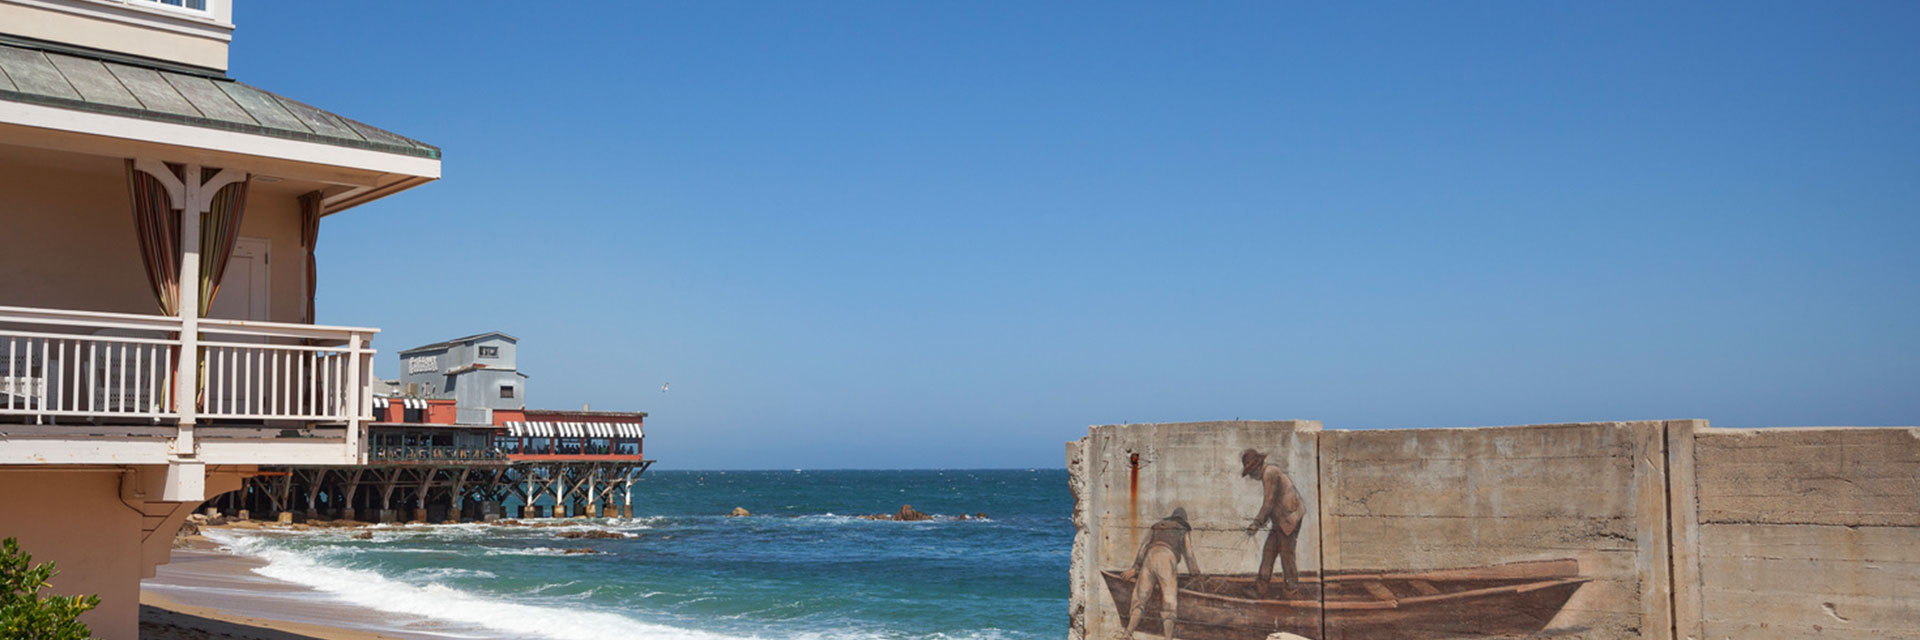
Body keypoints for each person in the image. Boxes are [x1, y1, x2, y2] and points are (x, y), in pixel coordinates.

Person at [1119, 508, 1201, 639]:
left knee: (1139, 599)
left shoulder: (1157, 526)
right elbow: (1189, 554)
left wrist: (1135, 568)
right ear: (1183, 519)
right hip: (1166, 560)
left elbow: (1143, 547)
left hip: (1150, 557)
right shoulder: (1183, 528)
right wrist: (1195, 573)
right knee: (1169, 602)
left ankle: (1127, 634)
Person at [1240, 448, 1304, 597]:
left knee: (1287, 554)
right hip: (1280, 519)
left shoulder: (1270, 473)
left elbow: (1269, 502)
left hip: (1289, 518)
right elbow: (1273, 503)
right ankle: (1261, 588)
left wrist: (1256, 523)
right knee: (1269, 551)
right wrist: (1260, 522)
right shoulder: (1268, 474)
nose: (1251, 475)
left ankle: (1292, 591)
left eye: (1250, 471)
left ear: (1257, 466)